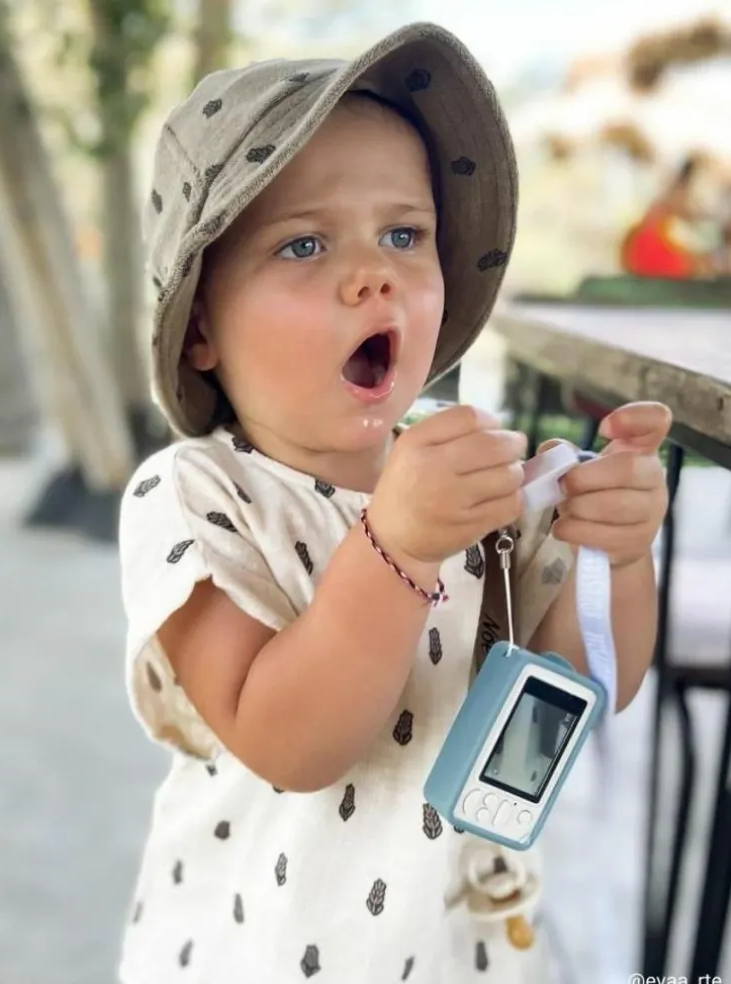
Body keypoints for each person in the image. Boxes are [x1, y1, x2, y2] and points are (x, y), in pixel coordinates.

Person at [117, 22, 671, 982]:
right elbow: (288, 743)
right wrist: (398, 551)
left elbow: (583, 681)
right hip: (268, 953)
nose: (375, 272)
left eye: (405, 235)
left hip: (463, 946)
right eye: (303, 243)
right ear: (200, 326)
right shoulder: (199, 496)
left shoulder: (478, 482)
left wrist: (614, 557)